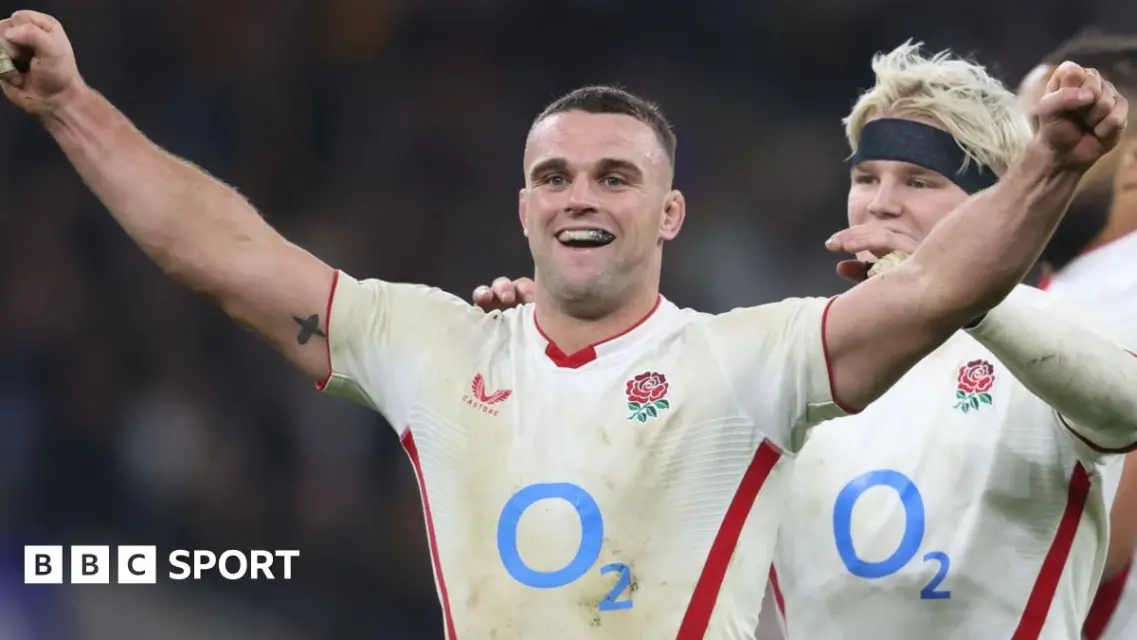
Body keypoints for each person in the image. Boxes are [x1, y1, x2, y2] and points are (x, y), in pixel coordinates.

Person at [0, 9, 1124, 635]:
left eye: (616, 176)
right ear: (522, 207)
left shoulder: (750, 363)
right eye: (555, 176)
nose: (582, 195)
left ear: (672, 212)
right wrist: (70, 106)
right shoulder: (427, 344)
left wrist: (1044, 171)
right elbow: (221, 254)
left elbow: (937, 293)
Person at [470, 41, 1137, 639]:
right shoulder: (797, 360)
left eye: (919, 181)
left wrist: (963, 293)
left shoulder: (1046, 335)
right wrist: (563, 343)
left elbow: (1126, 405)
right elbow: (630, 477)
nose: (879, 203)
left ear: (989, 205)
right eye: (865, 178)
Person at [1019, 31, 1137, 640]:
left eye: (1052, 132)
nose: (1021, 161)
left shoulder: (1119, 303)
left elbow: (1101, 545)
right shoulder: (1061, 296)